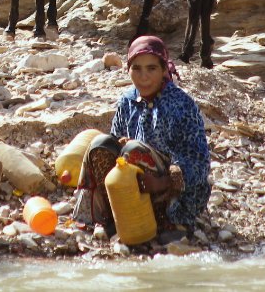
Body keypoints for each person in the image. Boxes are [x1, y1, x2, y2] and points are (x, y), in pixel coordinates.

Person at [76, 35, 211, 239]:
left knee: (134, 151)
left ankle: (165, 221)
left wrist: (165, 181)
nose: (143, 77)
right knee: (100, 145)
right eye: (136, 68)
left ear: (164, 69)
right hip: (132, 181)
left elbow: (199, 163)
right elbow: (115, 142)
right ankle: (109, 216)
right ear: (128, 70)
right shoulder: (127, 100)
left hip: (172, 191)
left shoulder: (182, 105)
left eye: (151, 68)